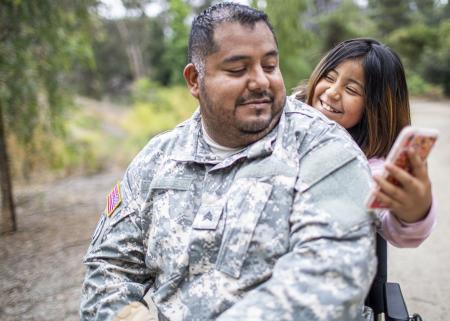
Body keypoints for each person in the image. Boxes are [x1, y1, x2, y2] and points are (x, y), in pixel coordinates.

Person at [81, 4, 377, 321]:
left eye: (270, 65)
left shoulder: (325, 149)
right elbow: (109, 266)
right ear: (195, 79)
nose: (261, 82)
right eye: (238, 70)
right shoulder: (156, 160)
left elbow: (332, 277)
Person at [294, 38, 436, 248]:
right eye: (329, 77)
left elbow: (389, 220)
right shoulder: (285, 113)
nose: (333, 92)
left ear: (374, 110)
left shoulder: (370, 168)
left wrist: (414, 211)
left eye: (351, 90)